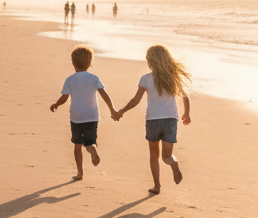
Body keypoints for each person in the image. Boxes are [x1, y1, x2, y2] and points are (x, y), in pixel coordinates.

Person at [114, 45, 191, 195]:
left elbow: (136, 100)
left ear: (150, 61)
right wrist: (187, 113)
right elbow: (185, 96)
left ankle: (157, 186)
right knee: (167, 156)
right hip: (170, 120)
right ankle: (173, 163)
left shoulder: (146, 79)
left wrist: (122, 111)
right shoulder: (173, 77)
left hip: (153, 121)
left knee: (154, 155)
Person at [50, 46, 117, 181]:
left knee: (77, 145)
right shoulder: (94, 78)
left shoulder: (70, 79)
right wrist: (112, 110)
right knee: (90, 141)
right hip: (92, 116)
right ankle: (92, 148)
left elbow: (64, 98)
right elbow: (104, 95)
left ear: (73, 63)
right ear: (90, 63)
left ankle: (80, 173)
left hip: (76, 117)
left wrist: (56, 104)